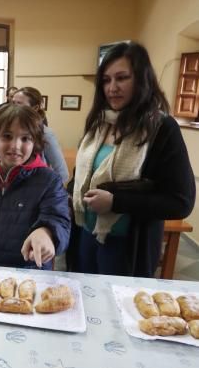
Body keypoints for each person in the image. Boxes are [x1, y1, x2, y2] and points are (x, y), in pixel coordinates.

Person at [70, 41, 195, 277]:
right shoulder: (99, 123)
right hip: (85, 235)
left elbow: (181, 202)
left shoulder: (161, 128)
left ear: (141, 79)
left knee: (119, 310)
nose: (112, 87)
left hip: (127, 246)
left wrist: (116, 202)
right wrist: (70, 191)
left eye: (122, 78)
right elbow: (80, 176)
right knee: (85, 304)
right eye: (106, 80)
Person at [0, 104, 70, 268]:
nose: (15, 146)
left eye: (25, 138)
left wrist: (46, 232)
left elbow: (59, 220)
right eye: (7, 136)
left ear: (35, 142)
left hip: (24, 280)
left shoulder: (49, 181)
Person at [13, 87, 69, 184]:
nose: (13, 108)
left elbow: (62, 173)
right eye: (13, 103)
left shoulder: (46, 134)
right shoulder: (9, 131)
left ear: (35, 108)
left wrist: (47, 192)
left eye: (19, 104)